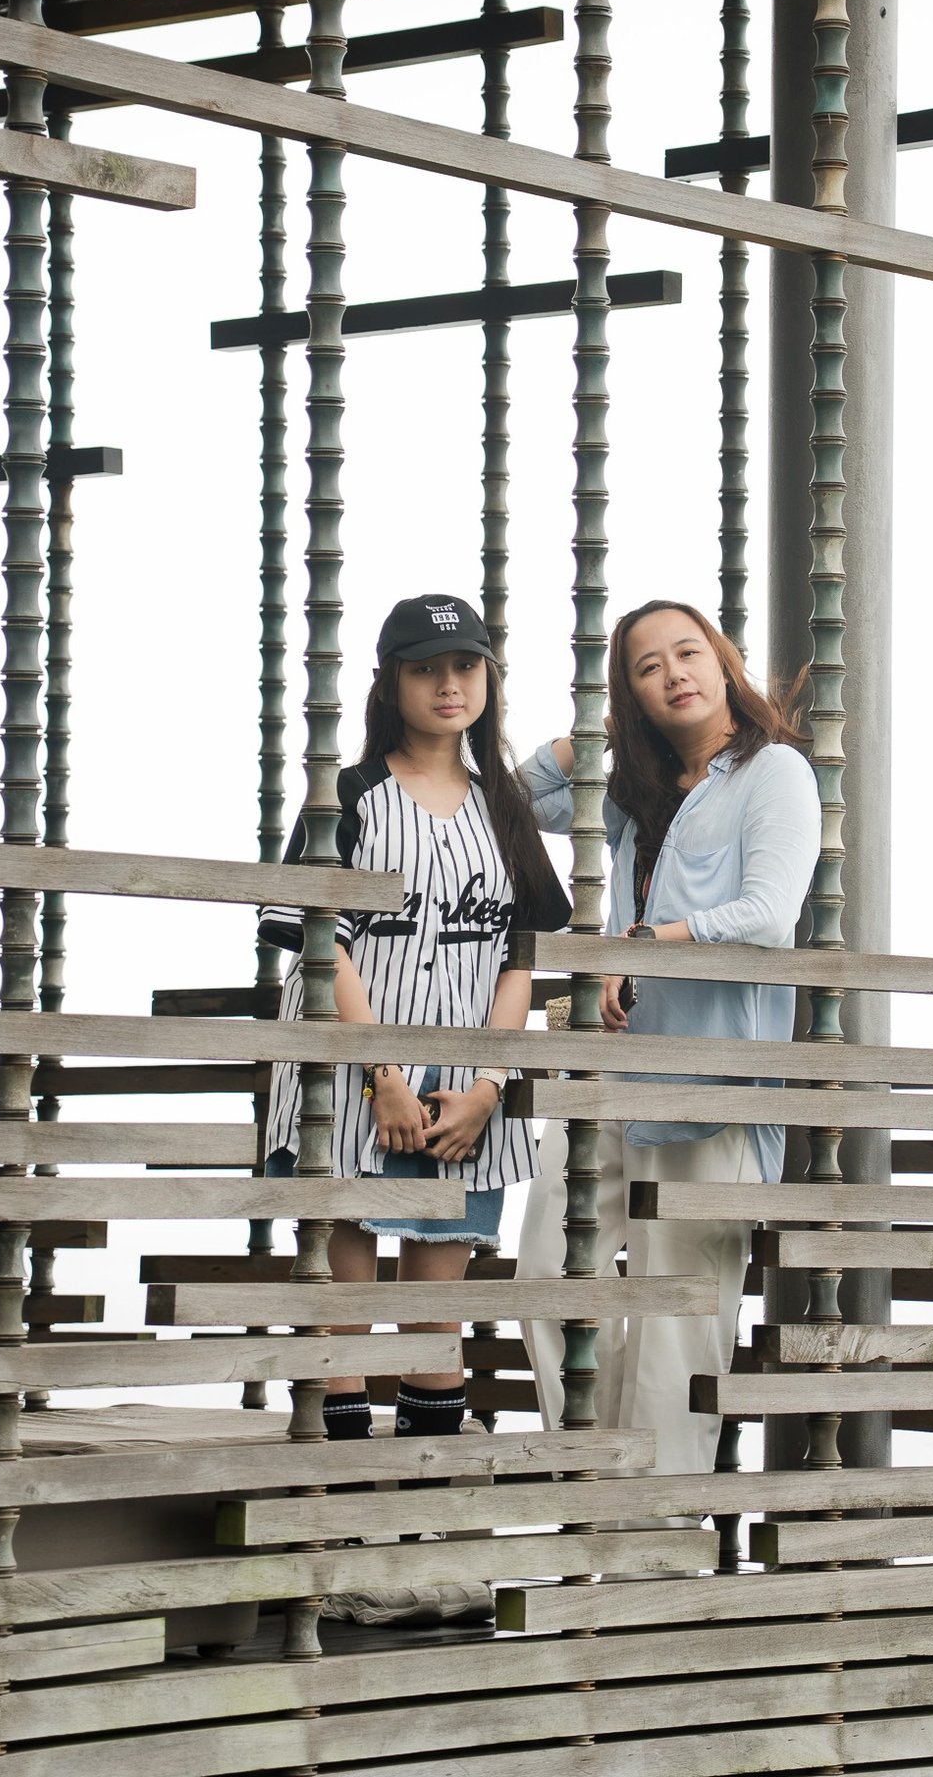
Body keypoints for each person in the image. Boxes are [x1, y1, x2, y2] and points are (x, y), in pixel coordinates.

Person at [516, 598, 820, 1474]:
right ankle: (599, 1475)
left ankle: (655, 1535)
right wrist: (596, 725)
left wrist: (645, 944)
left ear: (725, 664)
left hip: (708, 1088)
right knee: (545, 1272)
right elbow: (520, 792)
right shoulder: (634, 793)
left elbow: (768, 914)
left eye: (688, 654)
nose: (674, 674)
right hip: (611, 1073)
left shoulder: (774, 774)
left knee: (677, 1329)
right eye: (648, 668)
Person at [261, 593, 569, 1447]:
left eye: (464, 665)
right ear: (389, 681)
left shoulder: (501, 804)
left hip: (464, 1086)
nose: (447, 684)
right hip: (352, 1076)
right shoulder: (349, 794)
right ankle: (340, 1515)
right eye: (425, 668)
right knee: (347, 1309)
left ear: (487, 679)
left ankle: (421, 1514)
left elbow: (520, 957)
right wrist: (381, 1077)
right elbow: (322, 949)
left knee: (436, 1317)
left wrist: (487, 1086)